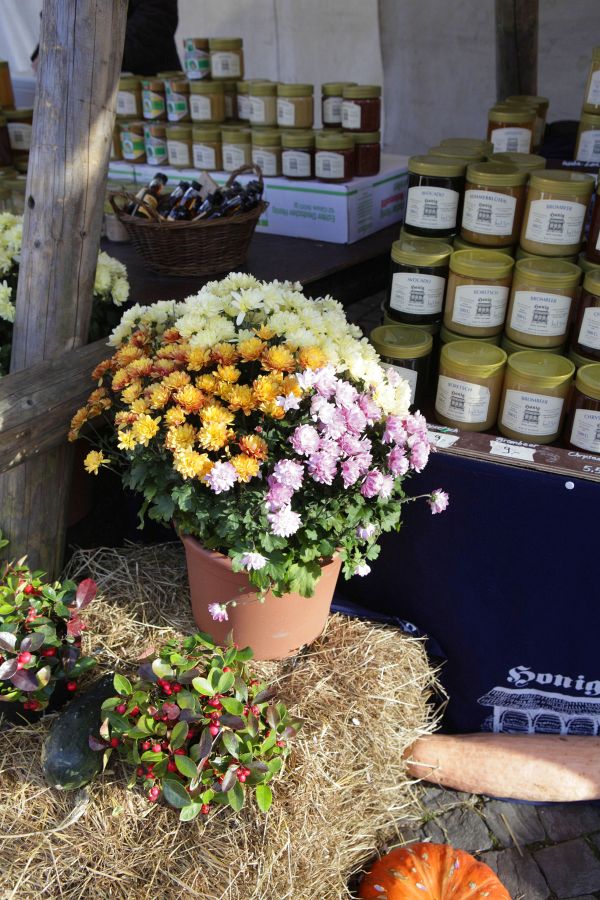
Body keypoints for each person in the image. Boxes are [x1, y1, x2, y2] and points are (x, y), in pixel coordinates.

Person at [31, 0, 181, 76]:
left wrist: (85, 56)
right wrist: (46, 50)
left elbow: (155, 23)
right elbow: (58, 16)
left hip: (144, 96)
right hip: (77, 103)